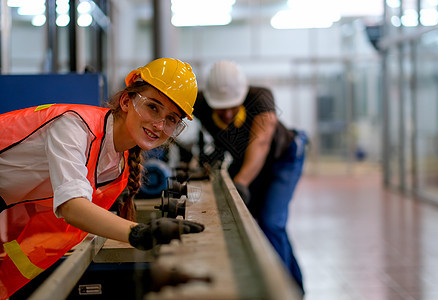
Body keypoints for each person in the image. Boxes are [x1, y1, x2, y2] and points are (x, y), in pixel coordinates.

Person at [0, 58, 205, 299]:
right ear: (127, 101)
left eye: (171, 119)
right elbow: (72, 207)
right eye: (153, 107)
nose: (159, 124)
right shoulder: (75, 126)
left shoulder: (117, 172)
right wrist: (138, 232)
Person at [194, 60, 308, 294]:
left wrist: (242, 182)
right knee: (261, 221)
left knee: (270, 222)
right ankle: (296, 286)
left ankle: (285, 292)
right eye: (220, 107)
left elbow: (261, 144)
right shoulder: (200, 103)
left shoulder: (261, 97)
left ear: (242, 95)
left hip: (283, 158)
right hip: (248, 162)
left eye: (232, 107)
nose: (226, 113)